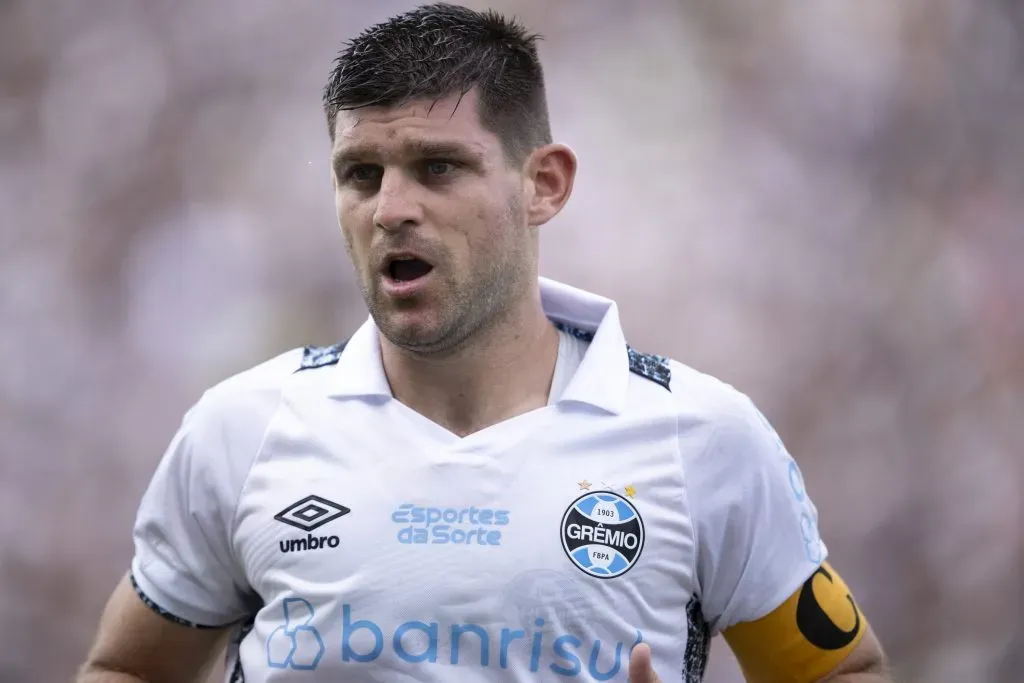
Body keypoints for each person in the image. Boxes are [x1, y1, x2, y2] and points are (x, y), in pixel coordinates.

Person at [77, 4, 892, 682]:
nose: (390, 207)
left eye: (437, 168)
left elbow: (843, 669)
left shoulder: (704, 438)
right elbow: (128, 667)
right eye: (360, 174)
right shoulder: (243, 428)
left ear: (544, 184)